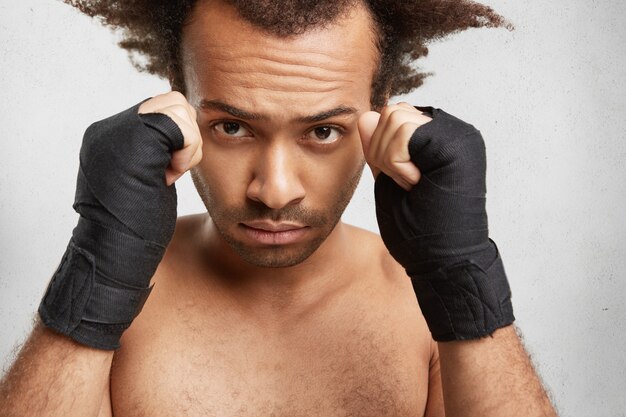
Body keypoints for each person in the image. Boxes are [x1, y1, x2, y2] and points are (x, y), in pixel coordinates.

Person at [0, 0, 558, 416]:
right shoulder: (116, 301)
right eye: (233, 126)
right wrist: (99, 264)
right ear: (175, 101)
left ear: (381, 112)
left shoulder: (424, 310)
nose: (274, 190)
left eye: (322, 130)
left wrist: (463, 277)